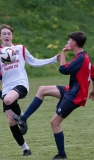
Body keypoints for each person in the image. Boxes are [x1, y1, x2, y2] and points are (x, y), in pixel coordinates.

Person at [13, 31, 94, 159]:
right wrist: (93, 89)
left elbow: (63, 69)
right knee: (42, 90)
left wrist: (63, 52)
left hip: (75, 95)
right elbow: (93, 73)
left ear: (74, 43)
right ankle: (23, 118)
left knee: (54, 123)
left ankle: (62, 155)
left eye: (69, 41)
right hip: (72, 90)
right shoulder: (85, 56)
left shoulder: (80, 58)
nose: (67, 43)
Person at [0, 24, 60, 156]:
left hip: (21, 84)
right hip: (7, 87)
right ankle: (25, 149)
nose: (6, 36)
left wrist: (53, 60)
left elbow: (34, 62)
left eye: (8, 33)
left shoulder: (20, 49)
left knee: (8, 99)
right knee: (11, 121)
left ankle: (22, 117)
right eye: (3, 34)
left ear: (12, 35)